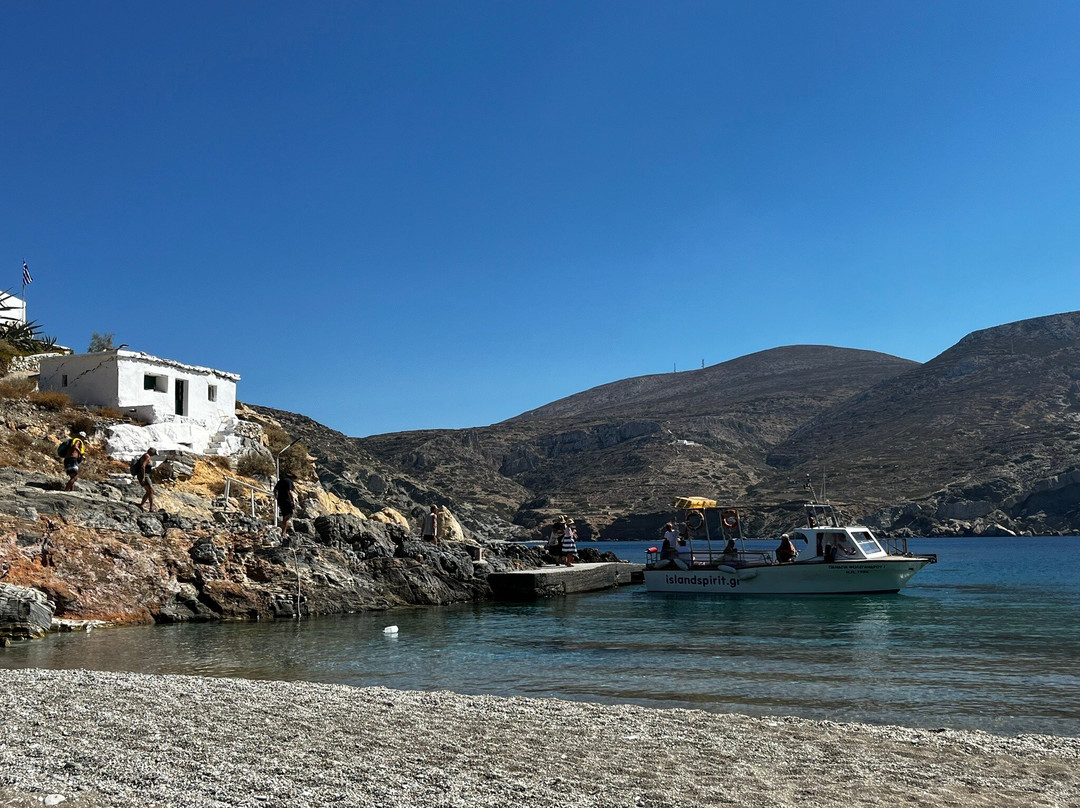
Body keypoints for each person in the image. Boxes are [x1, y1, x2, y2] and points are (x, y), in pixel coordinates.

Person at [273, 472, 297, 537]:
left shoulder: (281, 481)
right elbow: (290, 492)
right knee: (288, 516)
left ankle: (283, 532)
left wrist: (276, 497)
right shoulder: (289, 482)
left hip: (280, 500)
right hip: (287, 500)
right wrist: (293, 501)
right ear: (292, 478)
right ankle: (283, 532)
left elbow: (275, 490)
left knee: (284, 515)